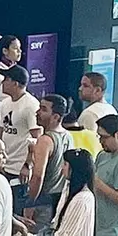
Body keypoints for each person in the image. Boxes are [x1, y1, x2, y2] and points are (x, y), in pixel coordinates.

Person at [26, 94, 72, 226]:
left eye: (43, 109)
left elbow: (38, 176)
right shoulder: (68, 136)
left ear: (56, 117)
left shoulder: (45, 140)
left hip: (44, 201)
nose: (37, 112)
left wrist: (30, 204)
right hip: (60, 198)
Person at [0, 65, 41, 184]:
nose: (2, 82)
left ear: (15, 83)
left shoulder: (31, 105)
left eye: (6, 79)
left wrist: (28, 164)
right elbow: (0, 131)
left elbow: (37, 138)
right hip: (4, 163)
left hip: (19, 168)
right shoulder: (5, 103)